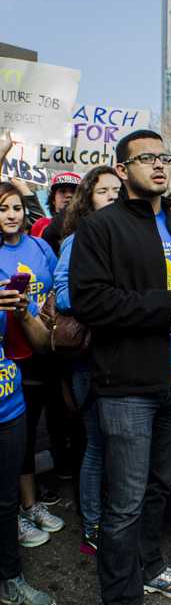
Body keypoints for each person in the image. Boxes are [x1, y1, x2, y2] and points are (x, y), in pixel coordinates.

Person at [69, 129, 171, 605]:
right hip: (126, 387)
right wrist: (164, 303)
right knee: (122, 505)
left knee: (157, 489)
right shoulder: (99, 228)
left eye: (164, 157)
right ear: (122, 170)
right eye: (146, 158)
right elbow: (91, 302)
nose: (160, 165)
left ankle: (149, 569)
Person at [54, 167, 122, 555]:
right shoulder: (78, 239)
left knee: (119, 445)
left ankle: (114, 516)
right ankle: (93, 523)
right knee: (97, 443)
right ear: (88, 198)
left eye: (117, 189)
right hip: (90, 359)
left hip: (122, 357)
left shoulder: (128, 234)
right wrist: (110, 300)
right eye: (103, 190)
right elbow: (64, 297)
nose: (112, 195)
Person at [0, 181, 65, 547]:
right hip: (6, 360)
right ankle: (14, 513)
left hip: (38, 351)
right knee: (13, 442)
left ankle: (29, 505)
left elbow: (56, 287)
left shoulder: (40, 245)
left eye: (16, 207)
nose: (11, 215)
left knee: (27, 436)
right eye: (3, 208)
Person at [0, 276, 56, 605]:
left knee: (6, 504)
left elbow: (41, 344)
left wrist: (23, 314)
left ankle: (10, 580)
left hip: (10, 407)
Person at [30, 172, 82, 245]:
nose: (69, 195)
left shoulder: (89, 225)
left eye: (74, 192)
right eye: (62, 191)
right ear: (53, 200)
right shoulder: (42, 225)